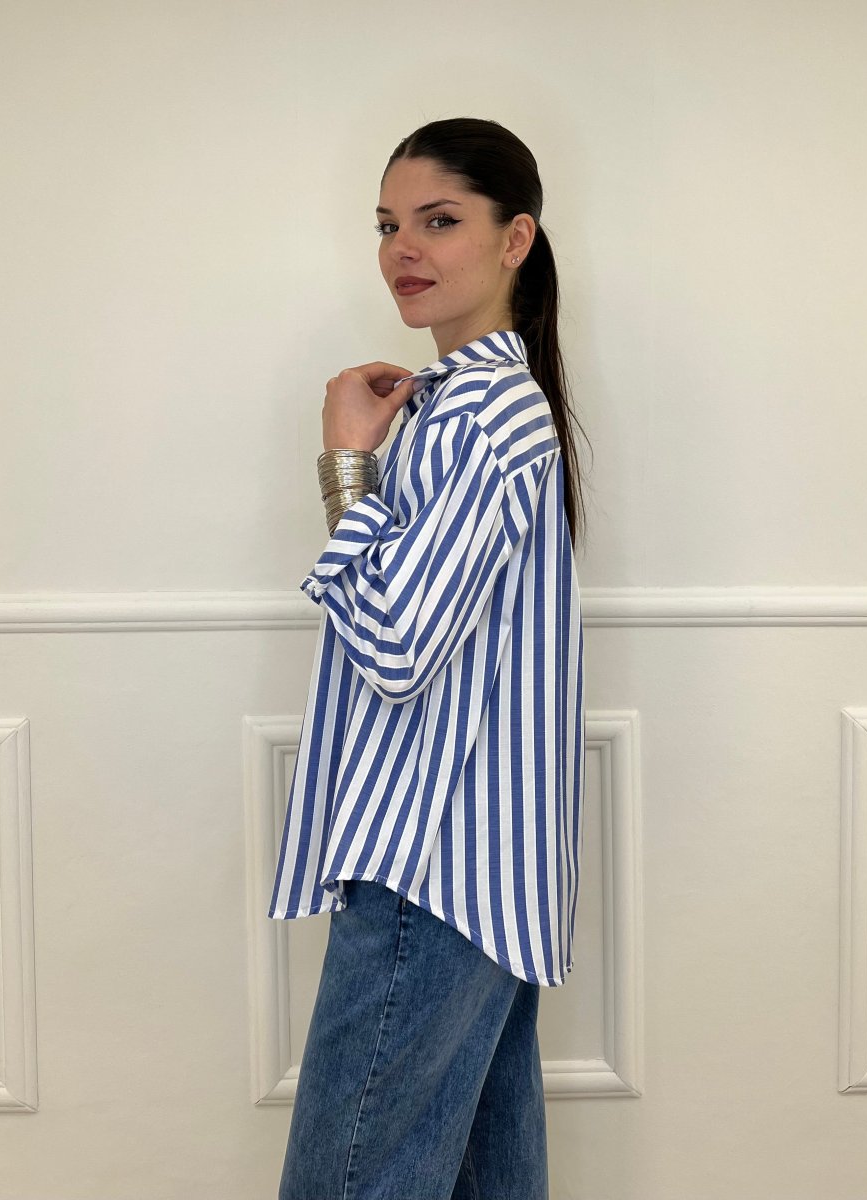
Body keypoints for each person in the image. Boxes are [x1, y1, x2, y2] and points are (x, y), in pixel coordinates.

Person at [270, 116, 590, 1200]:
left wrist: (344, 467)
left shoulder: (481, 419)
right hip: (475, 865)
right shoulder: (468, 406)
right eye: (387, 225)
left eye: (439, 220)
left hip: (430, 860)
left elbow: (398, 647)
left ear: (515, 239)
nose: (403, 248)